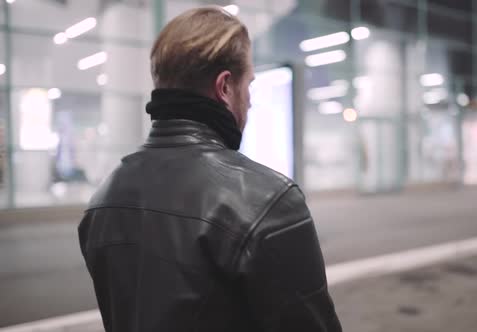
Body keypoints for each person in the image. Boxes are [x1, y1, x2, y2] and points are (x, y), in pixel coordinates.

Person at [78, 6, 342, 332]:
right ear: (225, 87)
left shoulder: (104, 200)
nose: (251, 100)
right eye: (249, 85)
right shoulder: (269, 202)